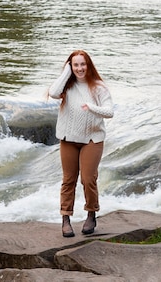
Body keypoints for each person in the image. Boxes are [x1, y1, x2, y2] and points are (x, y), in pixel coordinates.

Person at [48, 50, 114, 238]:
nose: (80, 68)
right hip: (69, 139)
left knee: (87, 179)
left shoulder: (98, 87)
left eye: (82, 64)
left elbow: (110, 112)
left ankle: (91, 214)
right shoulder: (66, 86)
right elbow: (53, 93)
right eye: (75, 65)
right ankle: (66, 219)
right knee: (68, 180)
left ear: (89, 65)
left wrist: (91, 107)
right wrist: (66, 71)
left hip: (92, 139)